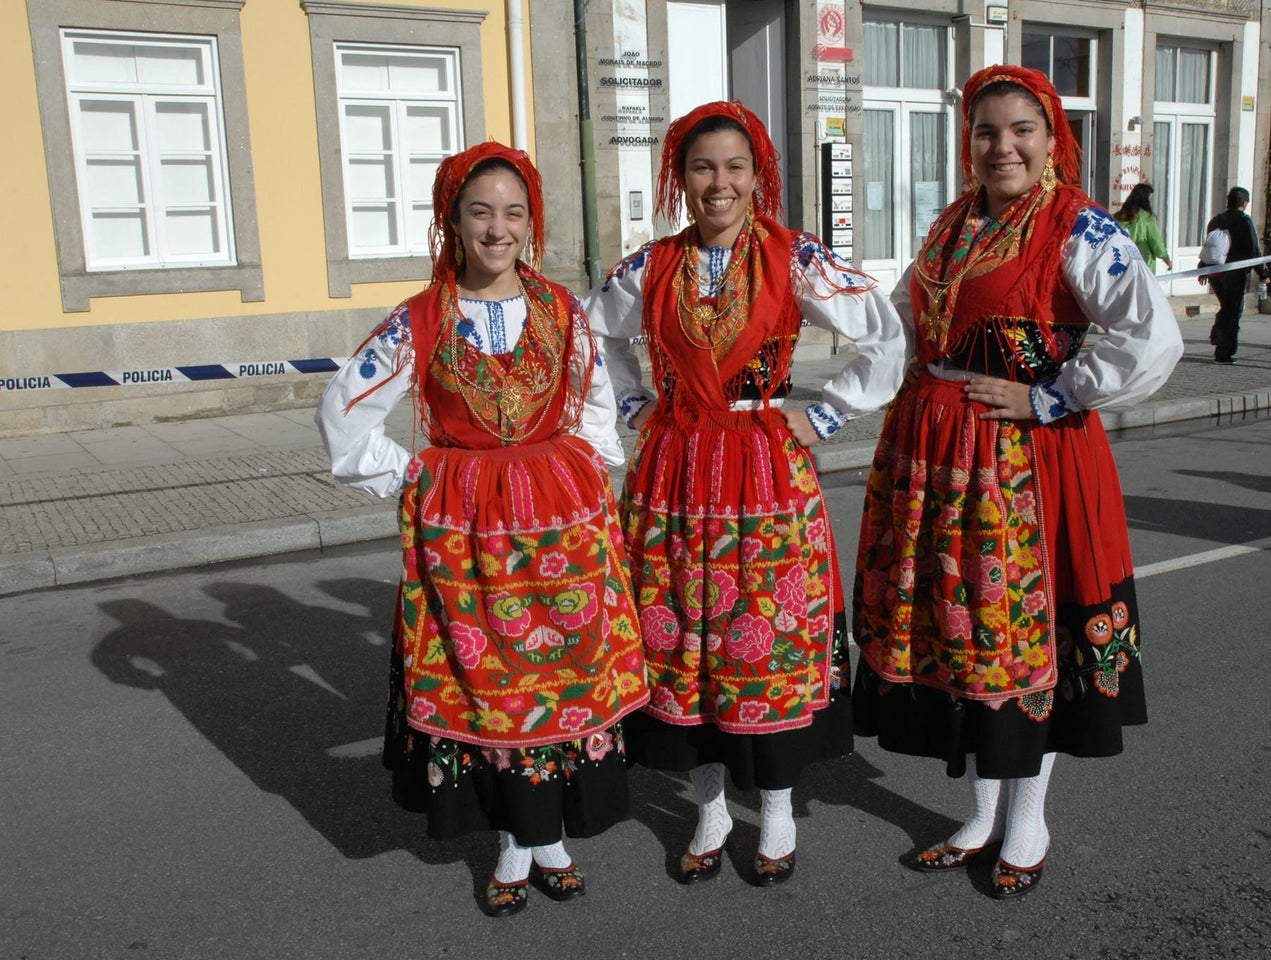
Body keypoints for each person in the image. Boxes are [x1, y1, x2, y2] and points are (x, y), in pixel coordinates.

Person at [851, 65, 1182, 900]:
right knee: (967, 639)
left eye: (1019, 130)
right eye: (985, 132)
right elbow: (898, 319)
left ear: (1050, 139)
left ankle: (1026, 818)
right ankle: (981, 811)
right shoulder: (951, 223)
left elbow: (1151, 337)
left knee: (1020, 638)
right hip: (936, 461)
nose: (1002, 146)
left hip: (1023, 462)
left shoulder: (1080, 226)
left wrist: (1049, 394)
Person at [316, 143, 649, 917]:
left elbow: (594, 398)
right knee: (490, 683)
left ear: (530, 224)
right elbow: (342, 409)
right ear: (452, 221)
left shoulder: (561, 310)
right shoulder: (419, 320)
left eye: (513, 213)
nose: (497, 229)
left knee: (562, 674)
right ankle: (512, 842)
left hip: (561, 518)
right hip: (464, 529)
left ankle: (552, 838)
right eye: (480, 212)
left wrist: (596, 473)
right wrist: (413, 476)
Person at [583, 101, 906, 887]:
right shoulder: (649, 266)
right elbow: (589, 337)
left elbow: (885, 333)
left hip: (763, 467)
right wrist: (632, 406)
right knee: (684, 642)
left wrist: (826, 411)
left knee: (762, 638)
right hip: (673, 470)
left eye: (733, 166)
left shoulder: (794, 257)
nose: (717, 183)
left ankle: (781, 812)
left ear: (757, 174)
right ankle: (711, 807)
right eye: (701, 168)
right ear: (680, 179)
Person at [1202, 186, 1269, 365]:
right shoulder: (1244, 221)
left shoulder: (1216, 220)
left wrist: (1203, 268)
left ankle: (1219, 337)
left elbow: (1210, 247)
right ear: (1244, 203)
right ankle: (1224, 352)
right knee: (1232, 312)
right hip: (1235, 274)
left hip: (1216, 273)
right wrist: (1263, 273)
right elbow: (1254, 250)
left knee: (1226, 307)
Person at [1114, 183, 1172, 273]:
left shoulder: (1119, 216)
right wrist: (1165, 258)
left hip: (1122, 260)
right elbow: (1155, 240)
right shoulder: (1147, 217)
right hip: (1142, 261)